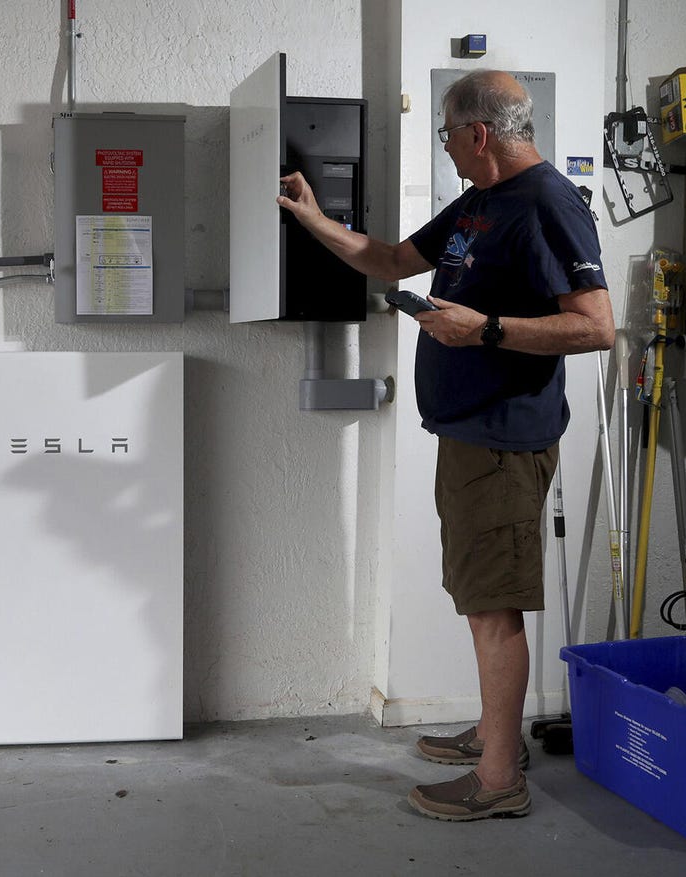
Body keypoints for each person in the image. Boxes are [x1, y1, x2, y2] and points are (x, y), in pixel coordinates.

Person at [277, 69, 615, 821]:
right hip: (467, 434)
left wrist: (485, 329)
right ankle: (498, 740)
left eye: (446, 133)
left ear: (478, 133)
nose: (447, 147)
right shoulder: (481, 203)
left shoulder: (548, 204)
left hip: (504, 438)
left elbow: (596, 327)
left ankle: (498, 781)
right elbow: (393, 260)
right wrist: (311, 218)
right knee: (478, 598)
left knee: (493, 608)